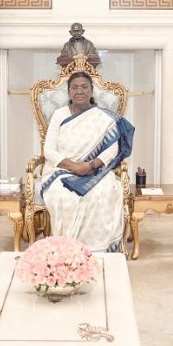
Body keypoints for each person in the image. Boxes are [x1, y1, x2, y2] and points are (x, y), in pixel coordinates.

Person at [40, 71, 134, 251]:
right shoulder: (59, 115)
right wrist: (75, 166)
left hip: (95, 169)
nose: (79, 91)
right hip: (61, 170)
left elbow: (112, 150)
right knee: (65, 196)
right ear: (69, 92)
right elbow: (49, 150)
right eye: (74, 87)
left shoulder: (104, 117)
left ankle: (98, 249)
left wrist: (90, 165)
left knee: (104, 192)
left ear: (91, 91)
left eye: (84, 87)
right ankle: (69, 248)